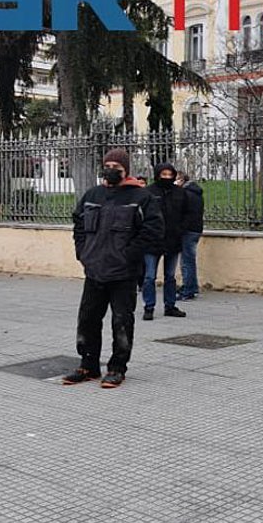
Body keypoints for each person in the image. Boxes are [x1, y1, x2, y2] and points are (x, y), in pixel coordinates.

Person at [63, 149, 163, 388]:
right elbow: (78, 222)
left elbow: (153, 232)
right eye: (106, 164)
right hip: (94, 269)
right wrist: (83, 252)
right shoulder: (93, 194)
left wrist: (129, 256)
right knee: (87, 320)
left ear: (125, 169)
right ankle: (88, 365)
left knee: (121, 321)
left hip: (124, 273)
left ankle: (117, 368)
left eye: (115, 166)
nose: (110, 169)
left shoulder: (141, 197)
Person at [142, 162, 189, 320]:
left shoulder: (180, 193)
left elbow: (186, 213)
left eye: (170, 175)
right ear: (157, 175)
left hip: (173, 239)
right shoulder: (148, 193)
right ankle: (149, 307)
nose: (167, 178)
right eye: (164, 175)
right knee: (149, 276)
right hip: (152, 240)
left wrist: (181, 230)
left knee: (170, 276)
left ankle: (170, 305)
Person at [176, 171, 204, 301]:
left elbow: (184, 214)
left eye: (176, 180)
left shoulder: (185, 194)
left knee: (186, 261)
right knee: (189, 260)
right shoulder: (196, 193)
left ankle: (188, 289)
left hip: (187, 231)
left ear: (181, 180)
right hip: (196, 229)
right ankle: (192, 287)